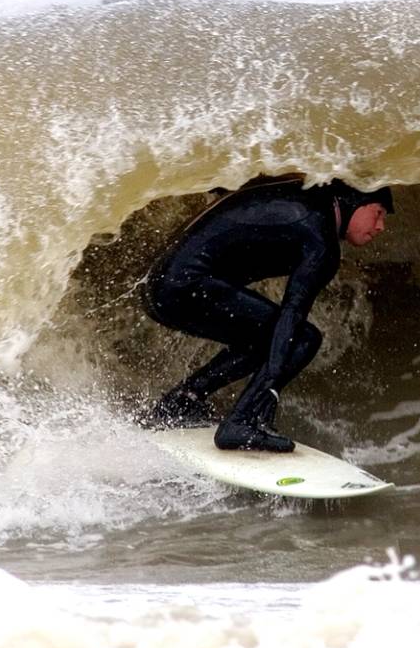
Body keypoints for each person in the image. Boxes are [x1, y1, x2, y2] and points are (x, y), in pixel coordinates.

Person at [143, 177, 393, 452]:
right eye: (378, 213)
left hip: (159, 284)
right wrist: (270, 387)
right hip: (183, 285)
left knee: (263, 337)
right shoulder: (320, 237)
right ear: (354, 200)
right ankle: (241, 421)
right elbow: (292, 315)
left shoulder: (301, 196)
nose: (381, 226)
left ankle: (180, 403)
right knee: (303, 339)